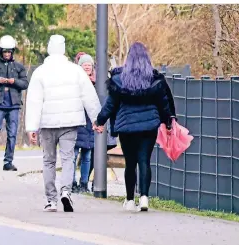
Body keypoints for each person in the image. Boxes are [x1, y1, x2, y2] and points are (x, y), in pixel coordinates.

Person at [94, 42, 176, 212]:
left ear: (128, 59)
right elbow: (164, 104)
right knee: (144, 160)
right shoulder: (155, 80)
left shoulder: (119, 80)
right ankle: (144, 197)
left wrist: (100, 121)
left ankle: (130, 200)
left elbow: (110, 105)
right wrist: (169, 122)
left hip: (127, 127)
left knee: (130, 163)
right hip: (149, 126)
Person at [25, 35, 101, 212]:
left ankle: (51, 199)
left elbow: (34, 100)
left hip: (47, 123)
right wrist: (97, 119)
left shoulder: (40, 72)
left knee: (49, 161)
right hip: (70, 123)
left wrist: (31, 127)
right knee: (68, 159)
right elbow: (89, 96)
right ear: (64, 49)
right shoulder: (76, 71)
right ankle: (66, 191)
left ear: (49, 49)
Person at [74, 52, 118, 193]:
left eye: (89, 65)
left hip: (92, 123)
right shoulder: (76, 82)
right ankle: (73, 182)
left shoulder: (100, 83)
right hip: (78, 121)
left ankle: (84, 182)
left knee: (87, 155)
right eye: (84, 65)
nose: (87, 67)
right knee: (74, 155)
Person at [0, 35, 29, 171]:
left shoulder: (19, 67)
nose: (7, 54)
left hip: (14, 105)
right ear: (1, 51)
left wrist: (14, 82)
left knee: (12, 134)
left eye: (9, 52)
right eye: (5, 51)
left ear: (12, 52)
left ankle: (8, 161)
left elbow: (25, 83)